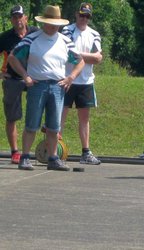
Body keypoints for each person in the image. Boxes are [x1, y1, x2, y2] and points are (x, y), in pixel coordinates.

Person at [8, 5, 85, 171]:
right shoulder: (32, 38)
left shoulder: (66, 41)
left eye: (56, 23)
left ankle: (53, 158)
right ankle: (25, 157)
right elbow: (13, 57)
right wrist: (25, 76)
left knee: (54, 126)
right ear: (44, 23)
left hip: (57, 86)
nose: (53, 26)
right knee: (32, 123)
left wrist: (71, 77)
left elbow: (80, 61)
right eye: (50, 23)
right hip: (37, 84)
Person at [60, 2, 103, 165]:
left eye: (87, 16)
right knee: (60, 115)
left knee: (84, 118)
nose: (84, 18)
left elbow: (98, 58)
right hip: (67, 77)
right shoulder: (67, 30)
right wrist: (88, 56)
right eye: (81, 15)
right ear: (76, 15)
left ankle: (86, 152)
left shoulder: (94, 34)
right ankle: (56, 149)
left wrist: (78, 55)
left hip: (86, 81)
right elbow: (66, 53)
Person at [0, 5, 38, 164]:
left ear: (26, 18)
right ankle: (15, 151)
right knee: (12, 116)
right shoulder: (5, 37)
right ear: (11, 19)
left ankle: (33, 149)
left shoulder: (36, 33)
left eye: (20, 16)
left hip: (35, 78)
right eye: (14, 17)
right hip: (13, 78)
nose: (17, 20)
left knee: (36, 113)